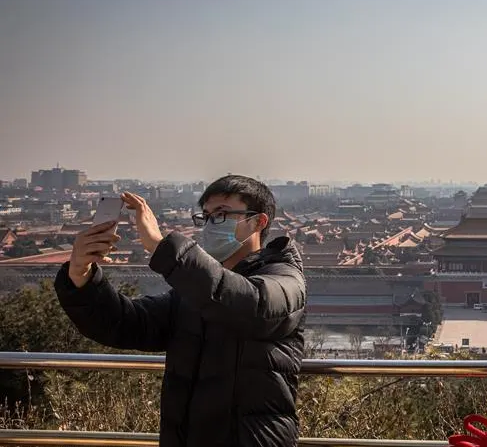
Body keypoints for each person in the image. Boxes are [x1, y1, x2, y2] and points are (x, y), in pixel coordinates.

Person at [55, 175, 306, 447]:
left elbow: (252, 306)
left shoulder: (284, 279)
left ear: (259, 221)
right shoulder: (191, 294)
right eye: (206, 216)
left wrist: (161, 247)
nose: (211, 224)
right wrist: (80, 275)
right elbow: (124, 323)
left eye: (221, 214)